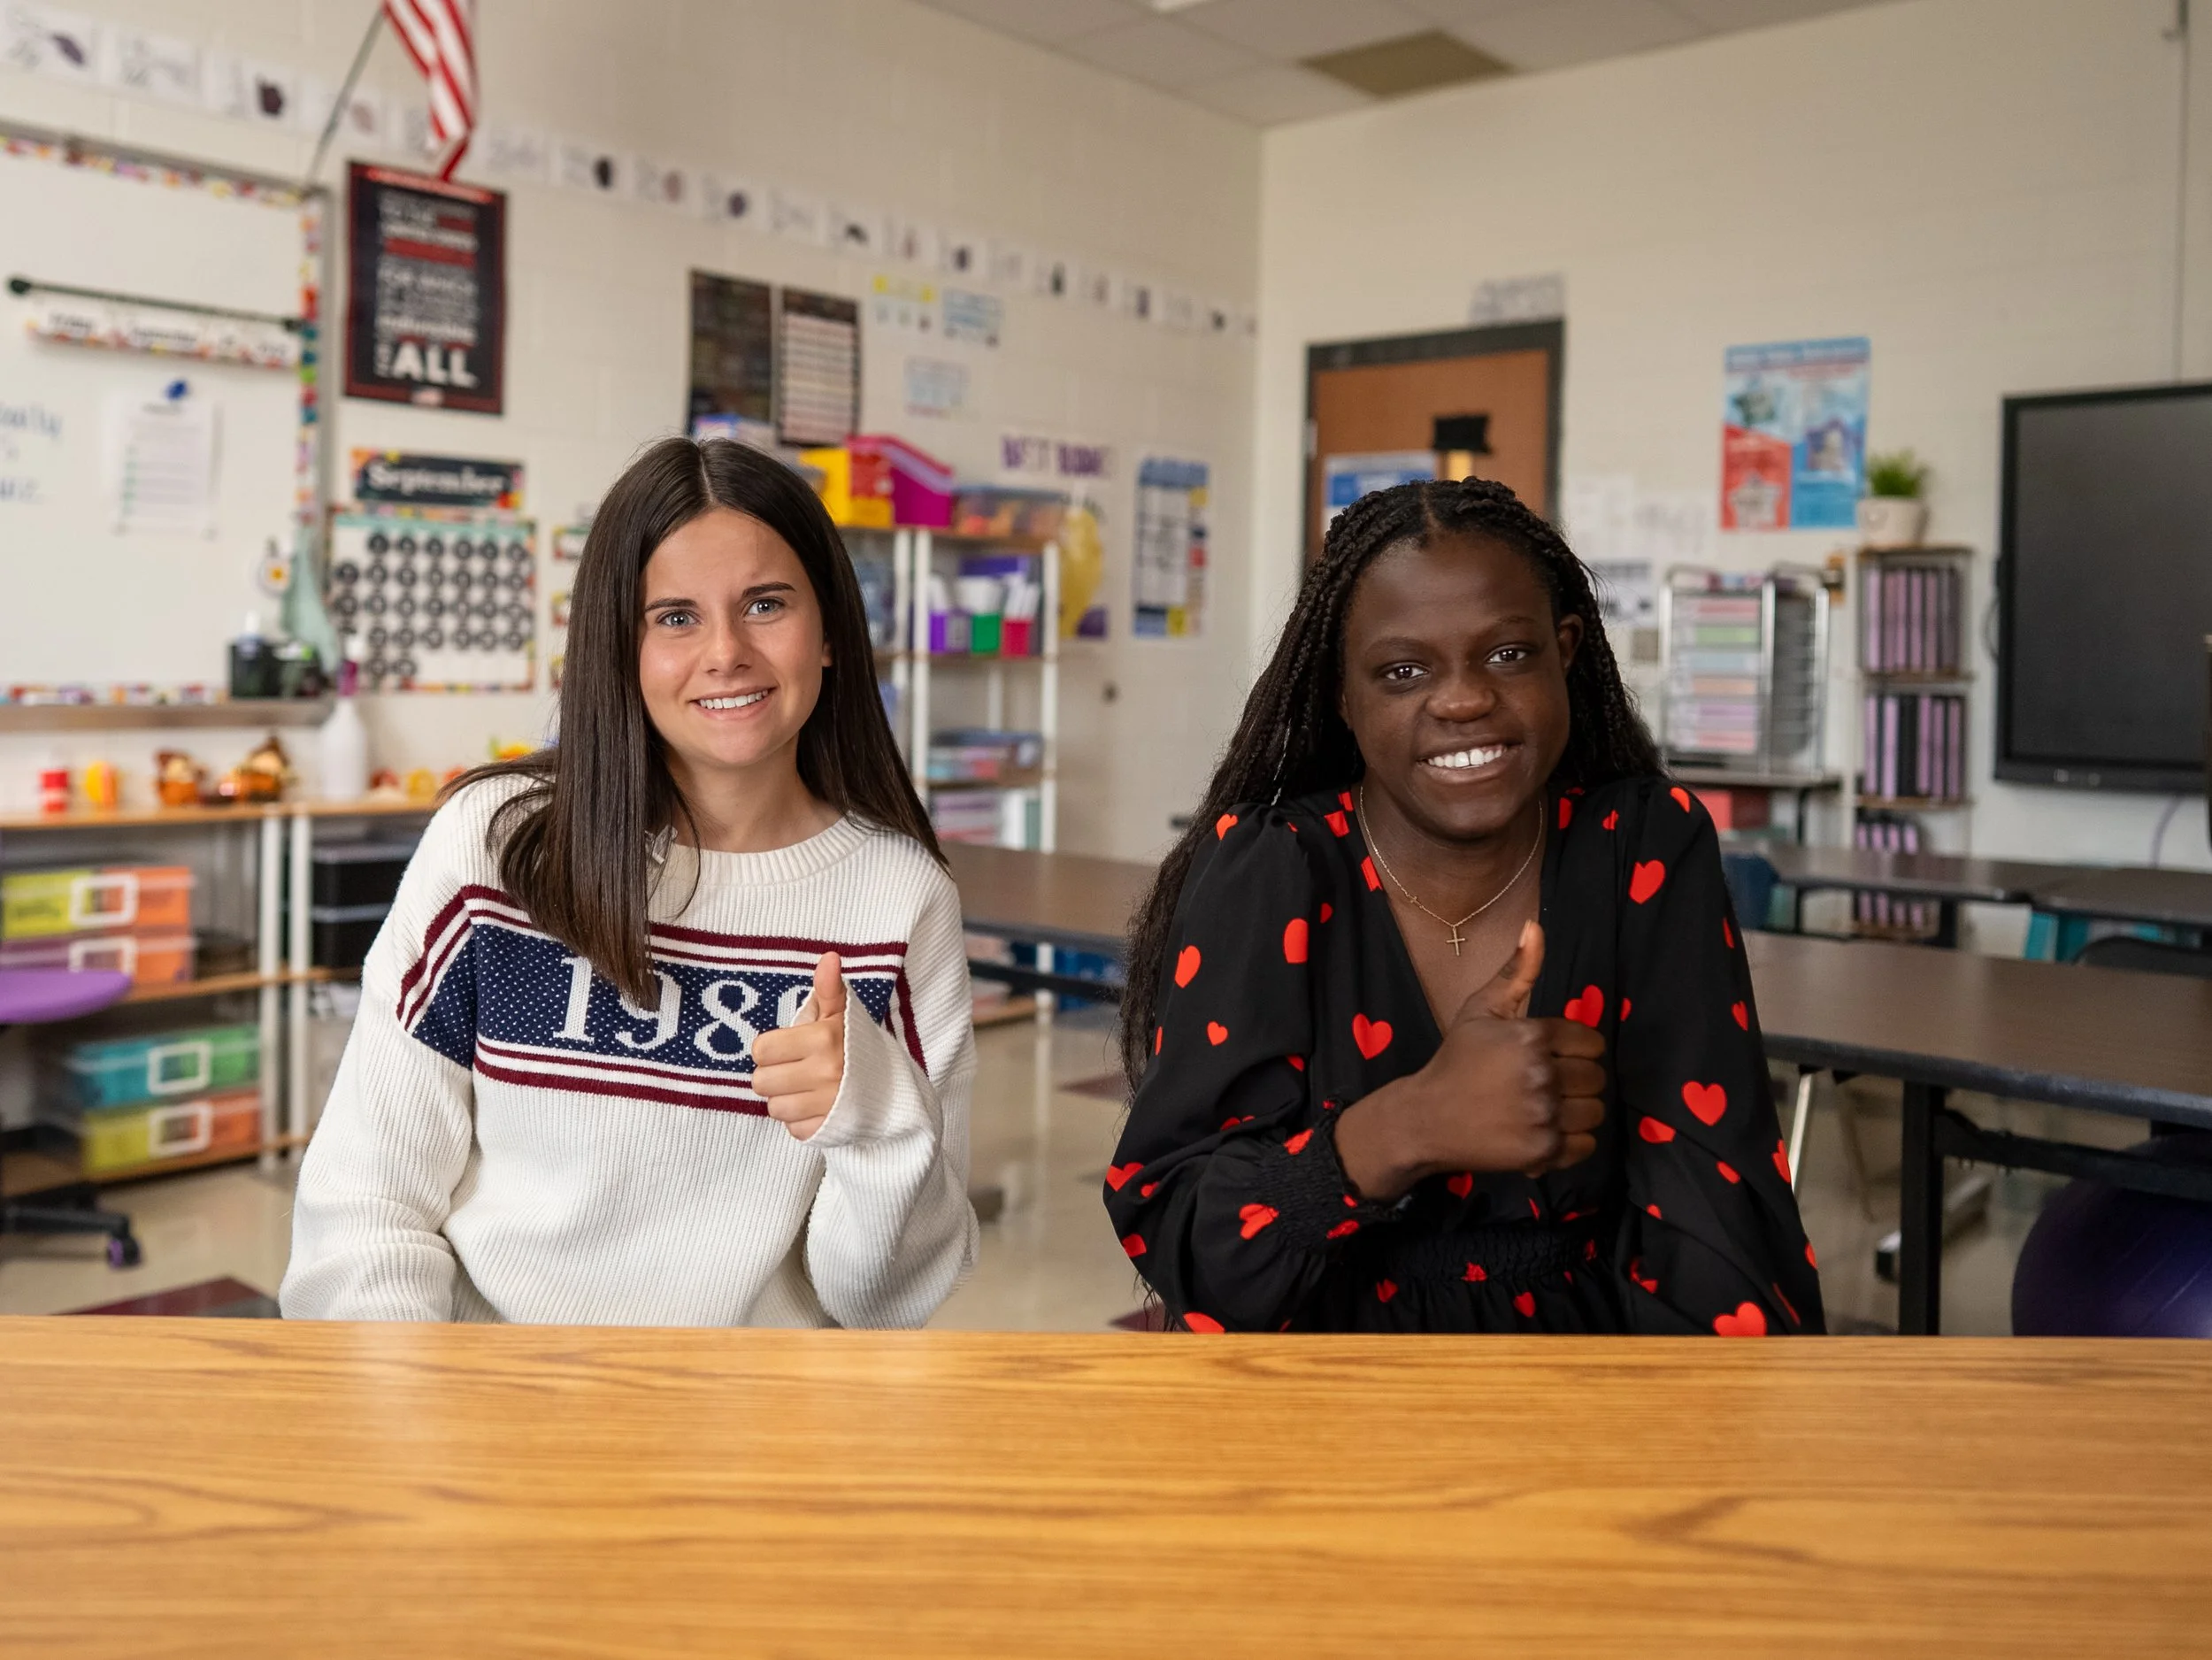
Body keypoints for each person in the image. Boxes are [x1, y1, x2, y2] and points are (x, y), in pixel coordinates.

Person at [282, 437, 977, 1326]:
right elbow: (364, 1200)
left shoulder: (901, 901)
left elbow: (886, 1302)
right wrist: (420, 1414)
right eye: (675, 616)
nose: (726, 651)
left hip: (756, 1435)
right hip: (489, 1417)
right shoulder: (494, 847)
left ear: (831, 630)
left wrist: (875, 1116)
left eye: (765, 604)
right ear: (620, 646)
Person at [1106, 478, 1823, 1336]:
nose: (1461, 698)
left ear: (1565, 650)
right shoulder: (1272, 869)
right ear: (1343, 693)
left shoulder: (1640, 848)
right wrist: (1408, 1126)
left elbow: (1714, 1219)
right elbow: (1192, 1251)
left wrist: (1671, 1445)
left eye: (1508, 654)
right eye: (1401, 670)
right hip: (1314, 1386)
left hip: (1596, 1373)